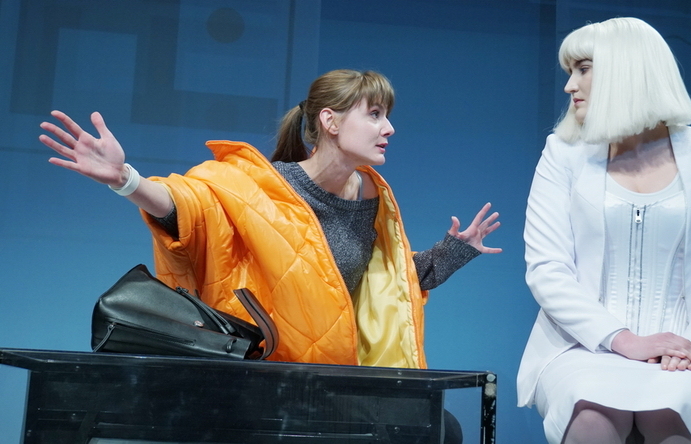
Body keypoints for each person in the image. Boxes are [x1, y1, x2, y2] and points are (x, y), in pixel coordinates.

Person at [40, 69, 500, 441]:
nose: (389, 128)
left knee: (441, 427)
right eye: (375, 114)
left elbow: (382, 285)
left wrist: (451, 253)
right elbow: (192, 208)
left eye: (387, 116)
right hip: (264, 375)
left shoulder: (371, 198)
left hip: (333, 378)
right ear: (330, 121)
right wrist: (126, 179)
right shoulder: (263, 187)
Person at [516, 18, 691, 444]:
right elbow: (547, 269)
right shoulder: (562, 155)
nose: (570, 85)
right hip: (582, 348)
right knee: (591, 417)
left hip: (687, 353)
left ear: (626, 71)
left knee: (674, 414)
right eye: (570, 72)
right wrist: (623, 340)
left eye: (583, 69)